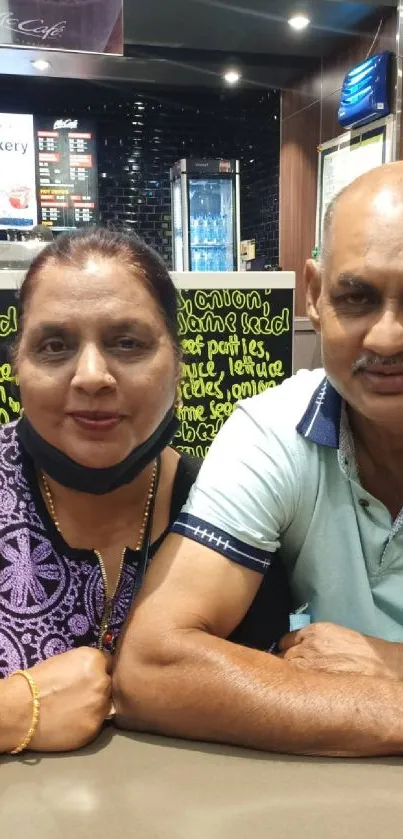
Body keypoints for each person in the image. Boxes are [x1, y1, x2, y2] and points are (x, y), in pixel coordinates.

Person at [114, 161, 403, 757]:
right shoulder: (273, 433)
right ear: (315, 294)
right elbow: (151, 667)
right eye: (357, 297)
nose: (386, 338)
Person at [0, 227, 201, 755]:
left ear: (178, 362)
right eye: (54, 345)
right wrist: (12, 714)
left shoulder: (233, 511)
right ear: (16, 364)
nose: (92, 376)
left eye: (127, 343)